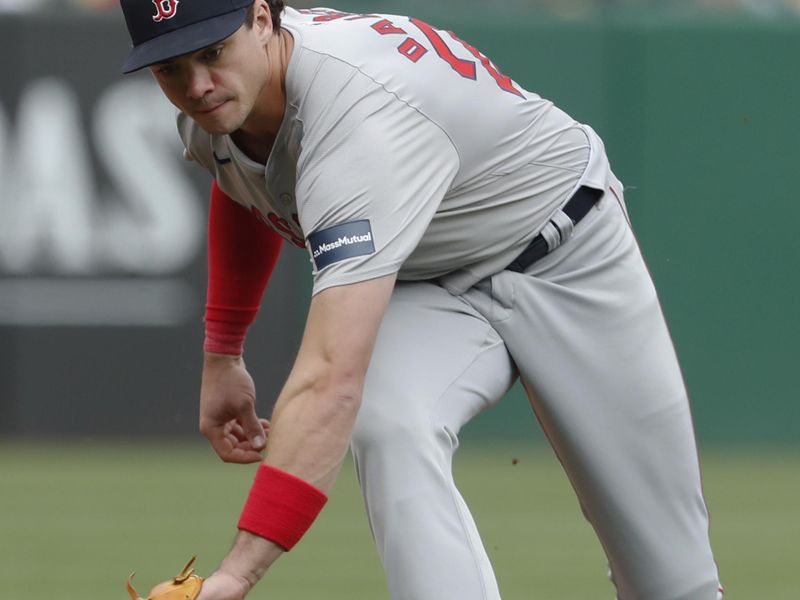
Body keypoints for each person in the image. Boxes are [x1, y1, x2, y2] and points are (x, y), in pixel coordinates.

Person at [119, 1, 724, 599]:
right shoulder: (225, 103)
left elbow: (330, 379)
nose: (197, 85)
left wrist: (238, 572)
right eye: (170, 66)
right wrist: (223, 351)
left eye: (211, 52)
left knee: (672, 583)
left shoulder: (357, 114)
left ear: (259, 18)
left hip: (567, 256)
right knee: (389, 426)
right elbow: (245, 182)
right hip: (425, 282)